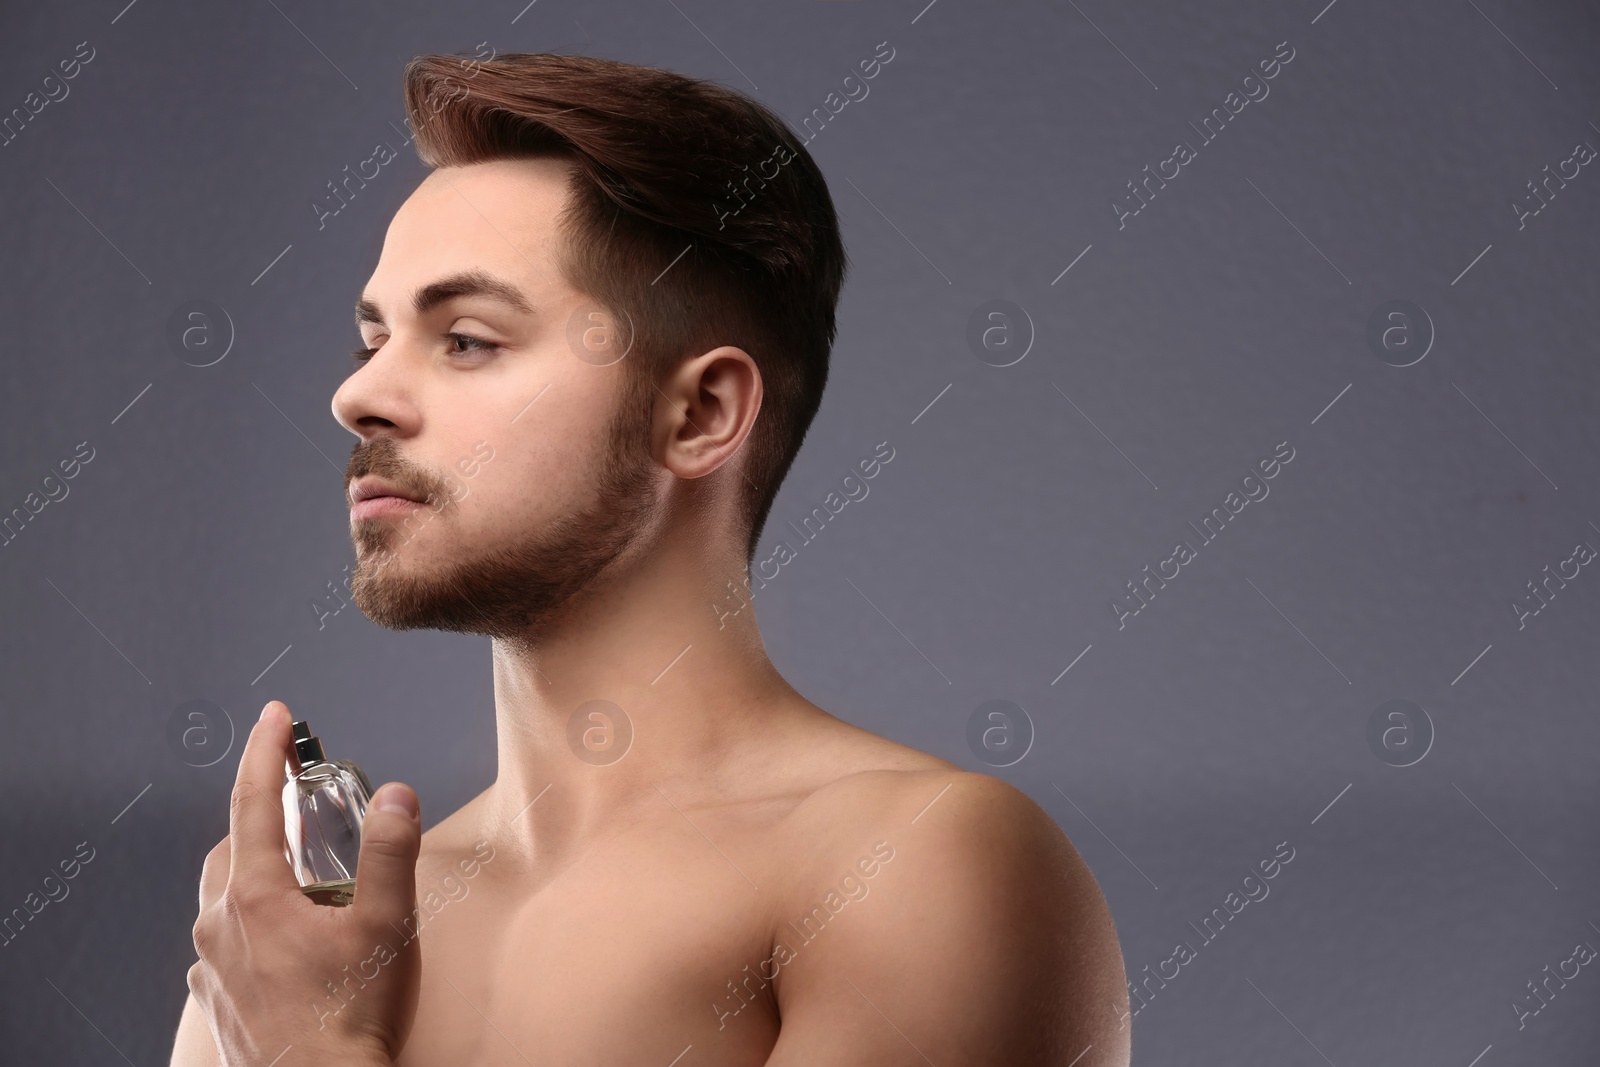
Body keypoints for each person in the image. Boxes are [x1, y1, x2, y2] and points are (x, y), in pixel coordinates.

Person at [171, 50, 1129, 1066]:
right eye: (372, 340)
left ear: (701, 413)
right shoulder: (308, 937)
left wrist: (305, 1049)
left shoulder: (914, 864)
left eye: (466, 339)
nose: (356, 396)